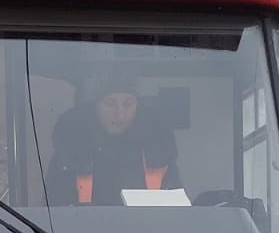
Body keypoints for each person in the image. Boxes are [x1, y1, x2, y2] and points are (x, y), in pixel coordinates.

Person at [48, 69, 180, 205]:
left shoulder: (159, 151)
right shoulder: (70, 153)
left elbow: (175, 211)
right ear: (95, 107)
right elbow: (56, 211)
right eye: (110, 104)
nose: (120, 115)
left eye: (128, 104)